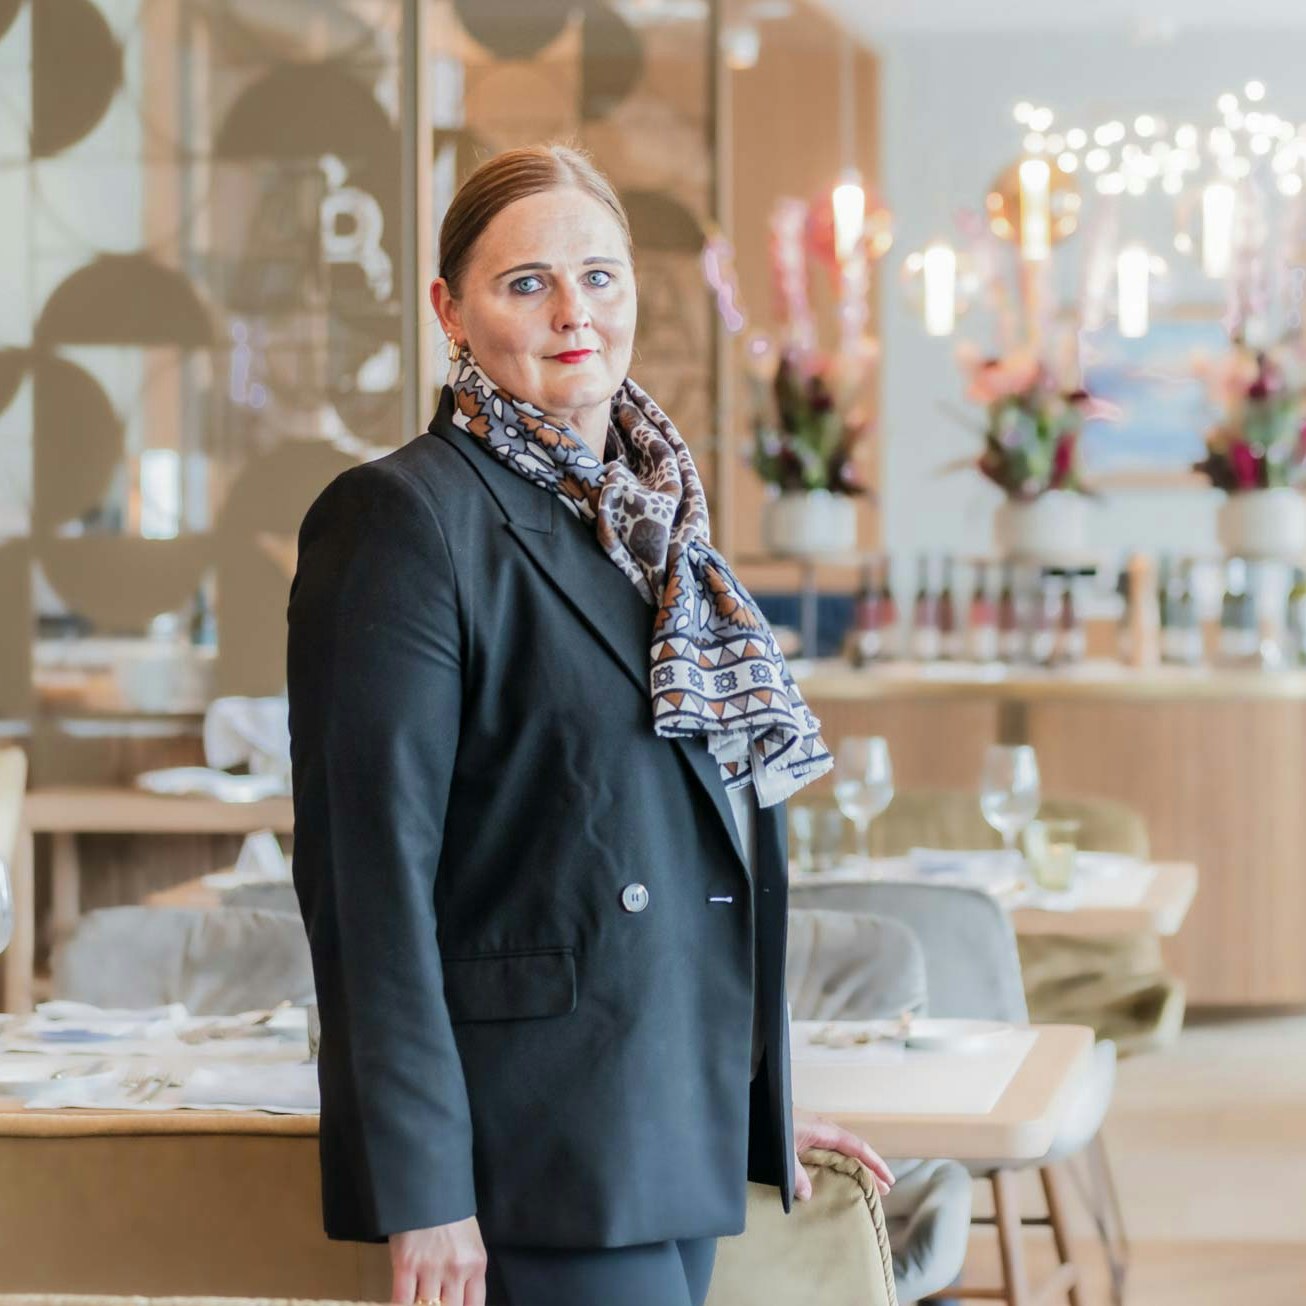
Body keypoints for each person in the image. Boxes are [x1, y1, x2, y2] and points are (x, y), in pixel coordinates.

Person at [287, 143, 893, 1306]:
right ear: (448, 308)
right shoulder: (402, 520)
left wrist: (748, 1094)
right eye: (527, 284)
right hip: (530, 1139)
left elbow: (669, 847)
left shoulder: (654, 520)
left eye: (601, 277)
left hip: (661, 1112)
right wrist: (424, 1187)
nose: (576, 314)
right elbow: (367, 877)